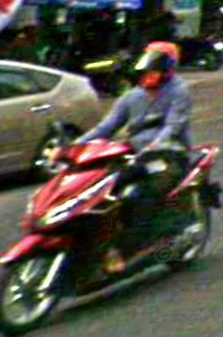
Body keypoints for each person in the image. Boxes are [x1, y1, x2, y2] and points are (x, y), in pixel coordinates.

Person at [73, 41, 192, 273]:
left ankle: (127, 249)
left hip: (168, 155)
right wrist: (75, 146)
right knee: (101, 189)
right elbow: (106, 128)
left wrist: (156, 145)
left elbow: (173, 126)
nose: (150, 73)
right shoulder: (132, 96)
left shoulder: (179, 92)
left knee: (144, 195)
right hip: (134, 156)